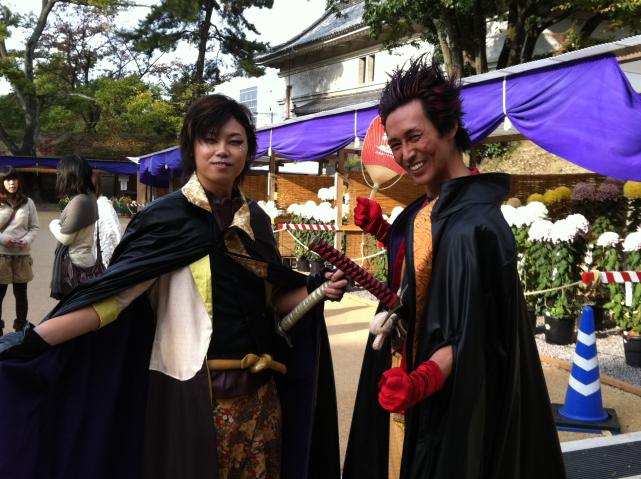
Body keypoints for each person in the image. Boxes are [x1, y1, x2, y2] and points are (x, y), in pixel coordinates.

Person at [0, 94, 345, 479]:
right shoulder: (164, 219)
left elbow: (275, 303)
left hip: (262, 403)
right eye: (209, 140)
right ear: (192, 148)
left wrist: (317, 289)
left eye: (234, 141)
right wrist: (32, 341)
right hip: (191, 398)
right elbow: (110, 301)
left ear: (248, 151)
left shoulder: (257, 223)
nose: (222, 150)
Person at [343, 57, 566, 479]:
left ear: (448, 128)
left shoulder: (477, 225)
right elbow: (424, 277)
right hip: (406, 379)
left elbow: (479, 332)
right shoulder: (425, 208)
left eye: (415, 136)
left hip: (450, 403)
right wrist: (387, 232)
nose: (406, 154)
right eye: (395, 143)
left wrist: (422, 381)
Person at [49, 155, 102, 299]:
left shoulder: (79, 201)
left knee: (72, 307)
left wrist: (53, 224)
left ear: (71, 175)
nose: (59, 176)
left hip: (74, 266)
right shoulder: (91, 197)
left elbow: (66, 239)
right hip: (86, 260)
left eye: (61, 173)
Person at [0, 167, 39, 335]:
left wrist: (27, 240)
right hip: (1, 256)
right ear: (1, 182)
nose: (12, 183)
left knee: (21, 295)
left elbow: (34, 227)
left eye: (14, 179)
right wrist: (3, 239)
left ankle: (20, 330)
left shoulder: (28, 202)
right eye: (8, 180)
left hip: (21, 256)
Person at [92, 172, 123, 268]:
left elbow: (115, 235)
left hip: (106, 263)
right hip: (101, 262)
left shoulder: (103, 207)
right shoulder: (96, 205)